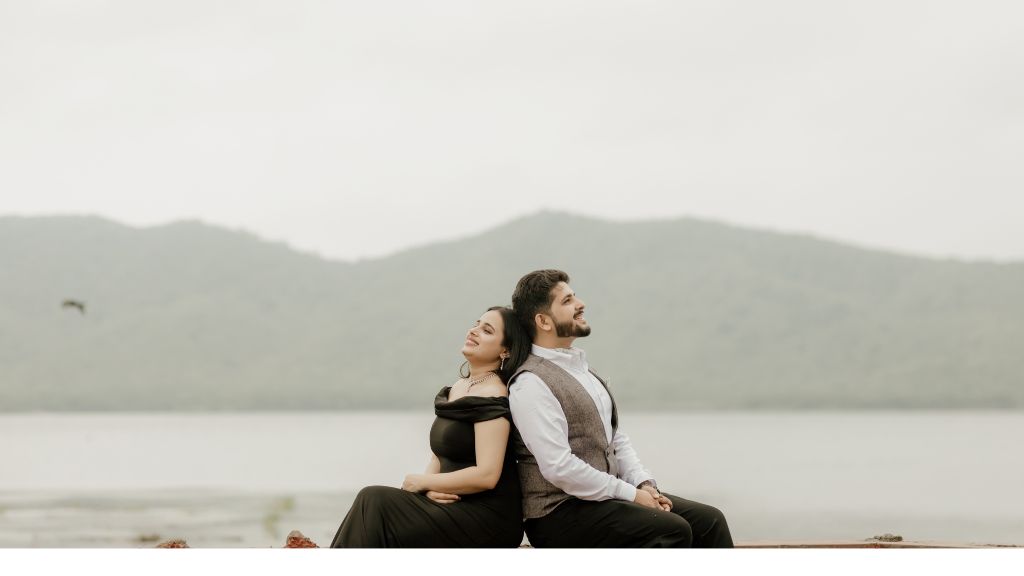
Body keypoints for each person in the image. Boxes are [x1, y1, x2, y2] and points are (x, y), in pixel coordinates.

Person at [508, 270, 734, 548]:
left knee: (710, 521)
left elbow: (616, 441)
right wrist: (630, 495)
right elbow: (558, 467)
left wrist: (643, 484)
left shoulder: (584, 372)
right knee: (670, 530)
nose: (580, 303)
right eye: (567, 301)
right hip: (558, 514)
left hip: (605, 501)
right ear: (542, 321)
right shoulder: (530, 383)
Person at [330, 306, 530, 548]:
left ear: (505, 350)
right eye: (476, 324)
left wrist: (424, 483)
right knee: (375, 507)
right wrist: (427, 489)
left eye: (486, 330)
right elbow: (439, 455)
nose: (474, 331)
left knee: (373, 500)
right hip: (452, 504)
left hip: (487, 516)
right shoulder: (458, 387)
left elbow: (487, 475)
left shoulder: (493, 394)